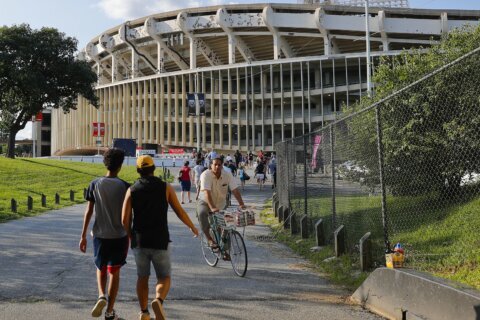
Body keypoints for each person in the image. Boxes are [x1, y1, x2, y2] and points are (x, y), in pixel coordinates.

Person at [122, 155, 199, 320]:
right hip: (160, 240)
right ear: (153, 168)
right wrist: (192, 226)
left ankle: (143, 312)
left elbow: (124, 219)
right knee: (164, 277)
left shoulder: (132, 190)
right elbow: (179, 210)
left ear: (138, 170)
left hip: (140, 241)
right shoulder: (166, 187)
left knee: (142, 277)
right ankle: (158, 300)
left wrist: (131, 236)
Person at [79, 148, 130, 320]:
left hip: (100, 235)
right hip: (119, 236)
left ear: (104, 163)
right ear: (120, 166)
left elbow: (88, 211)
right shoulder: (125, 186)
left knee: (100, 268)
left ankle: (101, 294)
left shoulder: (94, 184)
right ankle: (109, 311)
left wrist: (83, 235)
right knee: (114, 272)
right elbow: (130, 214)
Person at [196, 157, 246, 259]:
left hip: (221, 203)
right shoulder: (205, 175)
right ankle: (209, 239)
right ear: (211, 166)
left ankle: (224, 250)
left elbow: (235, 190)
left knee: (227, 224)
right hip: (205, 201)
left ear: (222, 165)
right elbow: (207, 193)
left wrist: (241, 204)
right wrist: (212, 207)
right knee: (202, 213)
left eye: (219, 164)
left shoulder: (227, 175)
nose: (217, 166)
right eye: (215, 164)